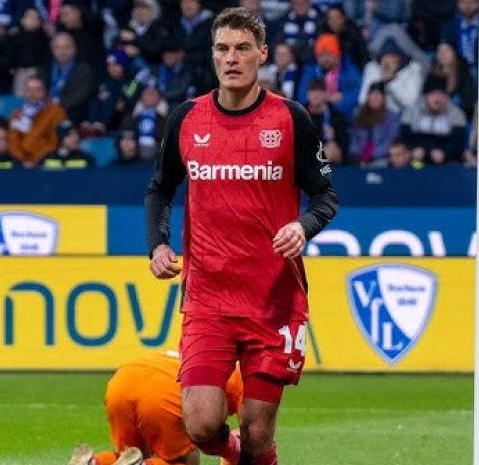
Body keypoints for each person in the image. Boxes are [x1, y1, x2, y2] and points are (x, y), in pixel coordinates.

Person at [144, 8, 337, 465]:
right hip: (208, 298)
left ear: (262, 54)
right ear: (212, 55)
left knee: (256, 430)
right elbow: (160, 188)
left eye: (243, 48)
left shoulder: (290, 119)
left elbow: (326, 196)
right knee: (201, 424)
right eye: (223, 49)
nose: (232, 58)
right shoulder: (187, 119)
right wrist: (157, 242)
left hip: (274, 302)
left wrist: (302, 225)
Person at [67, 351, 244, 465]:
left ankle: (93, 462)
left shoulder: (204, 350)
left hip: (123, 380)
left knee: (130, 455)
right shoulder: (245, 379)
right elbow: (249, 439)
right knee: (182, 461)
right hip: (163, 389)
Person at [8, 75, 67, 167]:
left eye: (37, 89)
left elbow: (54, 141)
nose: (32, 93)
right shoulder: (17, 114)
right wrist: (23, 160)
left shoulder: (56, 112)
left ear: (44, 92)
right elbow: (13, 140)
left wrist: (35, 160)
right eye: (29, 90)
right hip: (21, 163)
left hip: (45, 160)